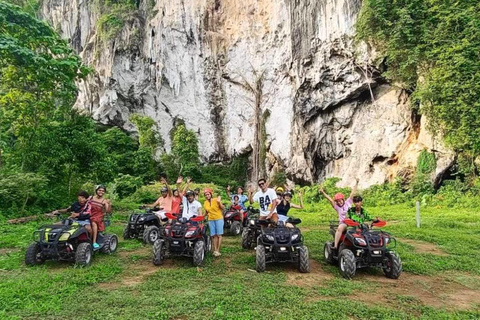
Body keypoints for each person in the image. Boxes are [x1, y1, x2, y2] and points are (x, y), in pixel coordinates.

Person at [319, 178, 359, 250]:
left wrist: (357, 183)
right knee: (339, 229)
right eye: (337, 201)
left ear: (343, 199)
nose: (339, 202)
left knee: (364, 226)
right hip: (344, 223)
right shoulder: (337, 207)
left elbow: (353, 193)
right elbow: (330, 200)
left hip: (353, 221)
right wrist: (323, 193)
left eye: (340, 201)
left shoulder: (348, 202)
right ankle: (336, 245)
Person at [203, 188, 225, 257]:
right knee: (213, 235)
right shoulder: (205, 203)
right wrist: (201, 217)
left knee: (219, 235)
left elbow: (222, 208)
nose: (207, 196)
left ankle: (218, 250)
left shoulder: (216, 200)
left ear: (211, 194)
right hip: (211, 219)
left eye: (208, 194)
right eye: (206, 195)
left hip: (218, 218)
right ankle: (215, 249)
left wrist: (219, 202)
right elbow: (206, 212)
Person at [89, 185, 111, 249]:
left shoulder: (104, 200)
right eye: (99, 190)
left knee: (93, 222)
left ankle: (94, 242)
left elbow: (108, 211)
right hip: (89, 213)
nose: (101, 192)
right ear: (96, 191)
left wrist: (109, 204)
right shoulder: (91, 198)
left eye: (103, 191)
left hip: (98, 215)